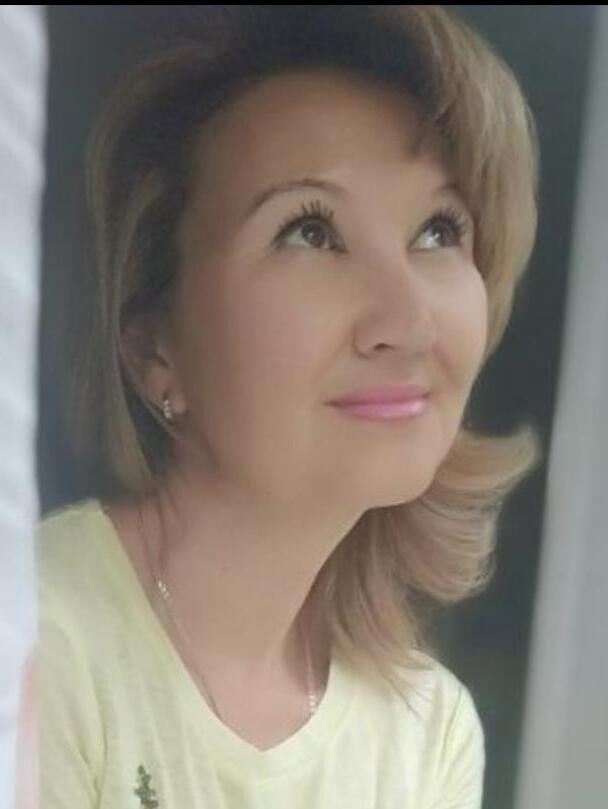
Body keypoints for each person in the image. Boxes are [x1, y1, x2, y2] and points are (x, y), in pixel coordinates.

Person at [37, 6, 542, 808]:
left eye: (438, 230)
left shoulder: (430, 730)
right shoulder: (34, 639)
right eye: (309, 231)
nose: (408, 321)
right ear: (154, 346)